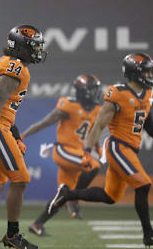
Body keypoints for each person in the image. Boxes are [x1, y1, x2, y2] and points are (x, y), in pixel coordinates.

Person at [48, 53, 153, 247]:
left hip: (131, 149)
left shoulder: (148, 94)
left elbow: (148, 123)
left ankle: (68, 194)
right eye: (146, 71)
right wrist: (87, 151)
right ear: (135, 72)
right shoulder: (118, 93)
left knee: (109, 196)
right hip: (118, 147)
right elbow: (98, 126)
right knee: (143, 184)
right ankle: (149, 234)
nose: (150, 75)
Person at [0, 25, 47, 249]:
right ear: (21, 47)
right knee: (21, 179)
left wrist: (14, 135)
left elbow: (3, 108)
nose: (37, 51)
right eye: (33, 46)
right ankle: (13, 236)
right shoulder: (16, 67)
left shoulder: (3, 62)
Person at [22, 74, 103, 236]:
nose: (96, 93)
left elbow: (93, 133)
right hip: (64, 151)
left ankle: (37, 224)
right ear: (83, 91)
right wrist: (23, 135)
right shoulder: (69, 105)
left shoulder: (97, 110)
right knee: (93, 166)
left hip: (78, 154)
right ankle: (73, 199)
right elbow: (45, 122)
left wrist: (99, 150)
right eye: (93, 90)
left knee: (62, 194)